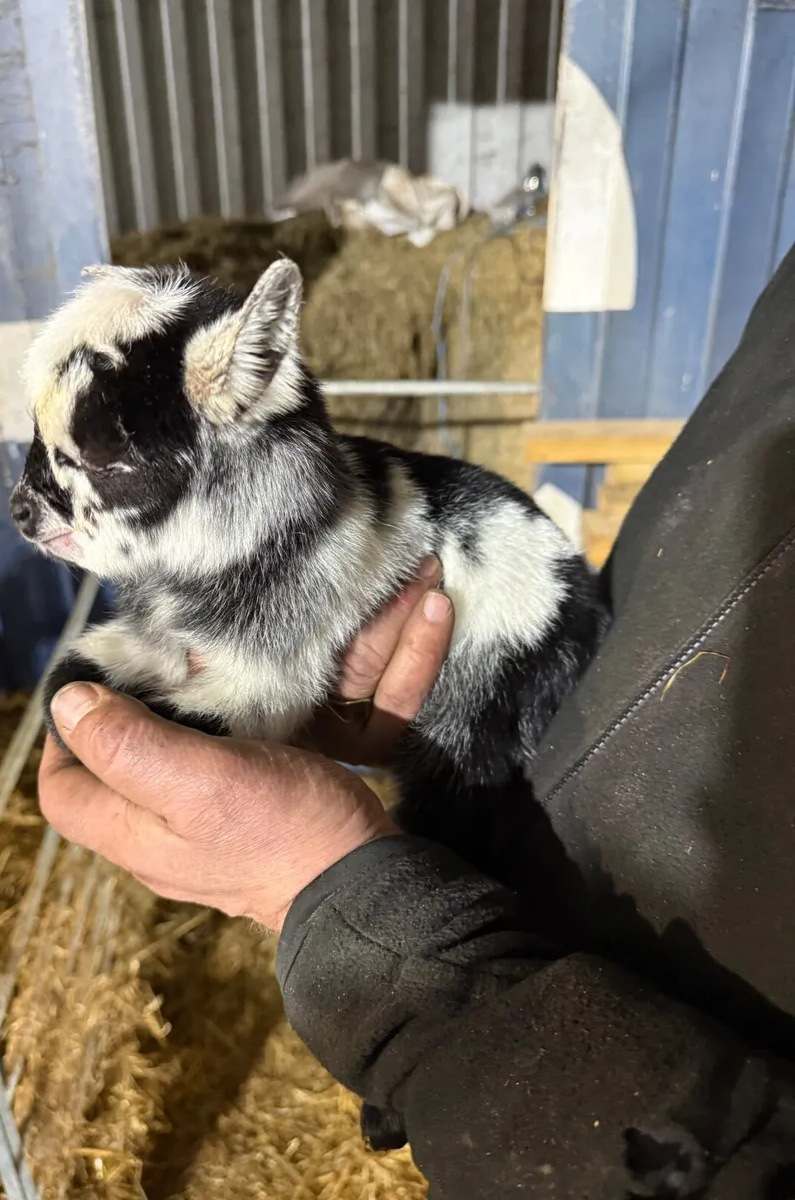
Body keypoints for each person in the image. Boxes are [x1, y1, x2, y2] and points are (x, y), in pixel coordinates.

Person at [39, 243, 795, 1199]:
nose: (36, 503)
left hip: (543, 777)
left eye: (94, 460)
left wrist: (358, 926)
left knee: (470, 830)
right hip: (567, 756)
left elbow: (257, 692)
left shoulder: (279, 525)